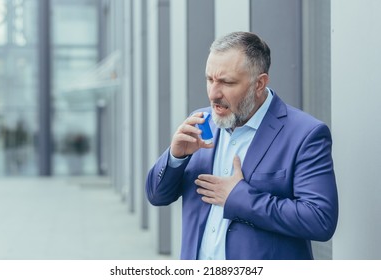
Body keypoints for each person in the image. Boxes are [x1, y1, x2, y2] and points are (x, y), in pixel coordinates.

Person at [145, 31, 338, 260]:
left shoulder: (305, 134)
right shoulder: (201, 122)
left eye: (226, 82)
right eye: (209, 79)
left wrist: (240, 197)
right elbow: (157, 196)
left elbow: (320, 220)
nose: (213, 93)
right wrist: (175, 156)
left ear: (259, 83)